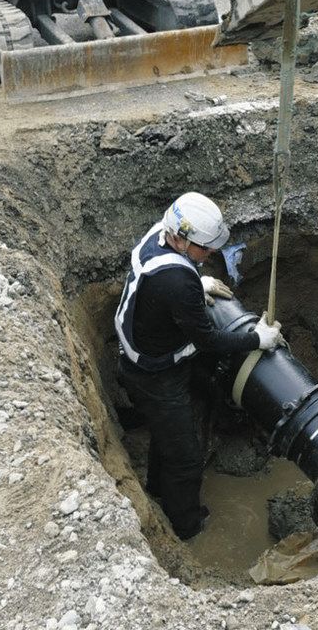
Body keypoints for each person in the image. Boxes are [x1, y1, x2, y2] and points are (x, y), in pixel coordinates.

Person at [115, 192, 282, 540]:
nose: (211, 254)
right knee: (186, 458)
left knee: (170, 434)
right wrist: (258, 339)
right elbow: (208, 340)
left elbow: (164, 283)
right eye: (204, 249)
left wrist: (195, 280)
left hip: (143, 355)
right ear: (181, 238)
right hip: (156, 375)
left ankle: (159, 489)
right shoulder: (176, 282)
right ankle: (187, 528)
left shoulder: (157, 236)